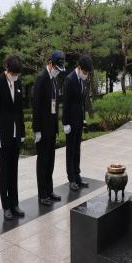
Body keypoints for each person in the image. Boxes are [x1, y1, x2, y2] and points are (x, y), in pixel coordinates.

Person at [0, 54, 26, 220]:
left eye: (17, 74)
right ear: (7, 69)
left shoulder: (18, 82)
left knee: (14, 170)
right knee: (4, 172)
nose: (15, 76)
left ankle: (15, 203)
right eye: (14, 73)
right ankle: (6, 206)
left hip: (15, 134)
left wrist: (23, 132)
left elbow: (19, 110)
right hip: (3, 135)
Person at [33, 50, 65, 206]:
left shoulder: (54, 80)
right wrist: (36, 130)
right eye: (56, 69)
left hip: (51, 129)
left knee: (50, 161)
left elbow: (55, 106)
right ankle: (42, 194)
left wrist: (56, 129)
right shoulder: (42, 79)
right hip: (42, 130)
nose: (58, 72)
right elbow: (36, 107)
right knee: (43, 162)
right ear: (50, 64)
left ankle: (49, 190)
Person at [62, 54, 94, 191]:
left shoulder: (82, 80)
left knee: (77, 149)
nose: (86, 75)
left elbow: (81, 102)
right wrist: (65, 123)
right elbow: (66, 103)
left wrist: (84, 117)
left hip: (79, 119)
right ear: (79, 68)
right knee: (70, 150)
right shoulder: (70, 79)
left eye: (87, 73)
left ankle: (77, 174)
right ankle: (71, 178)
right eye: (85, 72)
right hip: (70, 121)